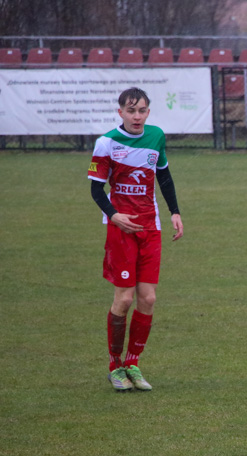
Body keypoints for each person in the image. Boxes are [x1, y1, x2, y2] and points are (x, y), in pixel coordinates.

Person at [88, 87, 184, 392]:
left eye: (142, 110)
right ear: (121, 113)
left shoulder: (156, 136)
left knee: (148, 298)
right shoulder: (105, 143)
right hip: (121, 229)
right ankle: (115, 366)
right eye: (131, 111)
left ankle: (133, 363)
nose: (137, 116)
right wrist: (114, 215)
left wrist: (175, 212)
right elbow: (95, 189)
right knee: (125, 298)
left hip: (150, 227)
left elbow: (164, 176)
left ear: (148, 112)